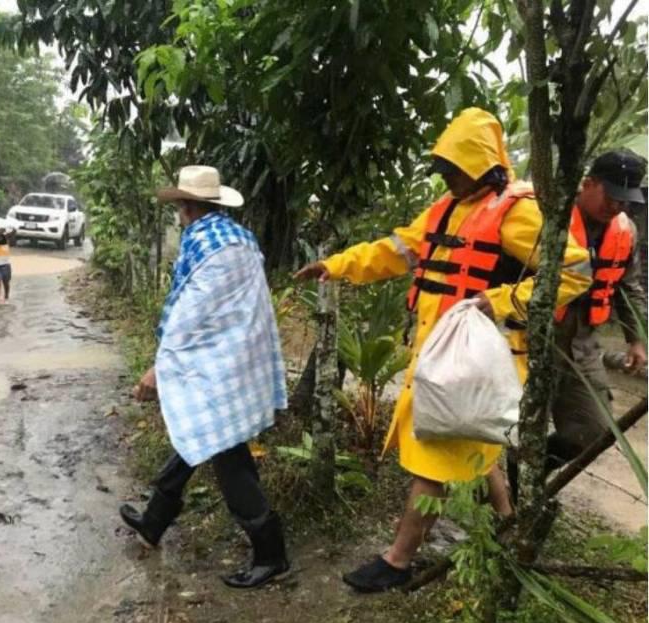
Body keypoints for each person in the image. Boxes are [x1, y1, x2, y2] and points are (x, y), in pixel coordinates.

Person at [295, 108, 592, 593]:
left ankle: (397, 561)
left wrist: (494, 302)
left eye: (455, 169)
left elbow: (575, 272)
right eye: (445, 169)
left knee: (433, 458)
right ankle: (510, 520)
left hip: (480, 359)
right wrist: (337, 264)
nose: (448, 177)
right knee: (472, 439)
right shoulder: (446, 209)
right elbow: (395, 250)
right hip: (440, 354)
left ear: (482, 167)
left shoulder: (518, 212)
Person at [119, 165, 291, 589]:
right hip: (239, 358)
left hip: (217, 366)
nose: (179, 213)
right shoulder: (241, 238)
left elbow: (190, 314)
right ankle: (155, 519)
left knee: (228, 457)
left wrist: (158, 368)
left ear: (188, 206)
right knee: (200, 432)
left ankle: (272, 553)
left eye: (180, 206)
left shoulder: (203, 243)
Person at [546, 151, 648, 469]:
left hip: (584, 344)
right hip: (537, 338)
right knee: (517, 423)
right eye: (612, 196)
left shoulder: (625, 231)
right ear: (589, 183)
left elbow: (628, 287)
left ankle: (526, 473)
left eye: (625, 200)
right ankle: (503, 494)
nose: (617, 206)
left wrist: (637, 339)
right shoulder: (549, 216)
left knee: (594, 431)